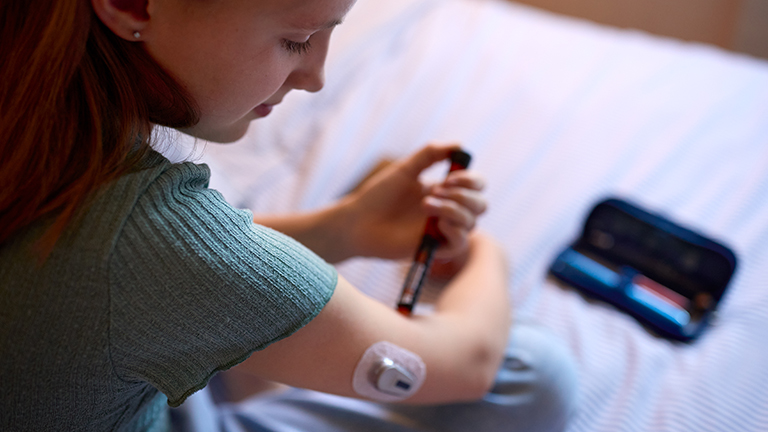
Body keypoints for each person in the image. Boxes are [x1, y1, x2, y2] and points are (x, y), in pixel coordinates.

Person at [0, 0, 577, 431]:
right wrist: (486, 255)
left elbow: (143, 286)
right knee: (534, 373)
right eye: (298, 40)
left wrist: (344, 228)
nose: (316, 76)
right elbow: (468, 364)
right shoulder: (151, 236)